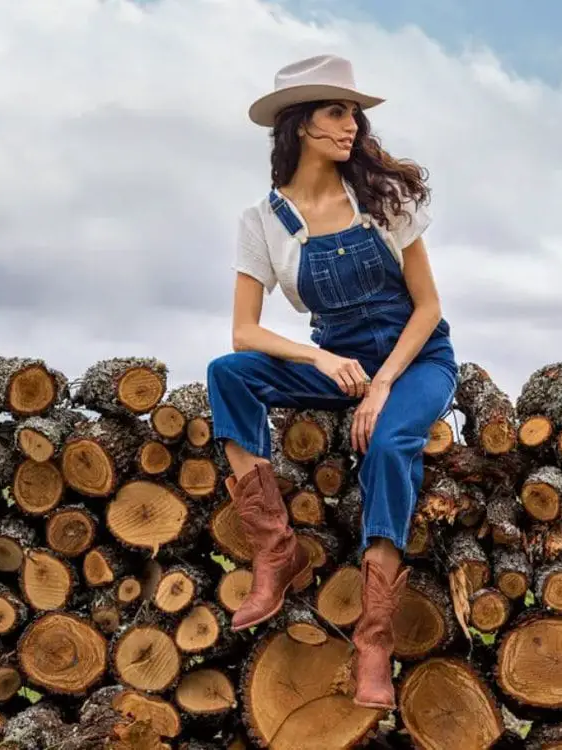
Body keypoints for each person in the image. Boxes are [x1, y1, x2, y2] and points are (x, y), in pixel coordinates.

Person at [206, 54, 458, 710]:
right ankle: (275, 550)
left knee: (389, 444)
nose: (352, 125)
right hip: (337, 365)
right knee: (227, 375)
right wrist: (319, 360)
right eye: (336, 111)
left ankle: (374, 640)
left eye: (353, 113)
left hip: (417, 362)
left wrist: (381, 388)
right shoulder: (262, 222)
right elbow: (244, 332)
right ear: (300, 125)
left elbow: (428, 307)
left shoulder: (382, 198)